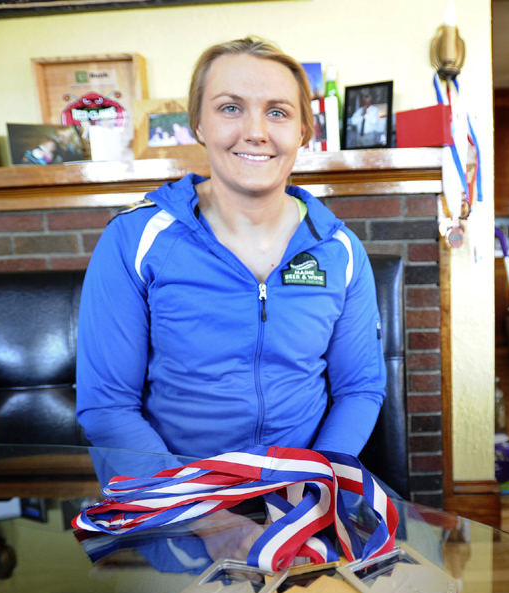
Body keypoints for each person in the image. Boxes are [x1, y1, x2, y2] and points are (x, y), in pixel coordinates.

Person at [76, 36, 386, 470]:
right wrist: (206, 517)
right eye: (230, 108)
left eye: (277, 112)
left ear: (302, 131)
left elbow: (360, 389)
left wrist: (317, 478)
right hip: (171, 496)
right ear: (199, 124)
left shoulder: (340, 250)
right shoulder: (133, 239)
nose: (255, 132)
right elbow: (107, 408)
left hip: (300, 489)